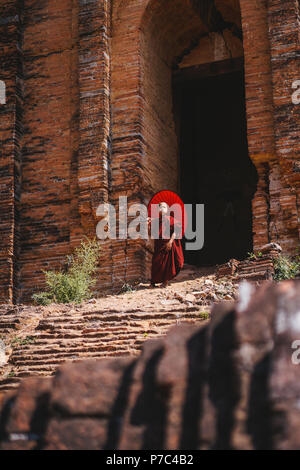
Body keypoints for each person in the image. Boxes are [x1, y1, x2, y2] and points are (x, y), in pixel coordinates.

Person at [148, 202, 184, 288]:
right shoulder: (156, 221)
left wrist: (171, 242)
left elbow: (176, 231)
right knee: (156, 262)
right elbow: (151, 234)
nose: (162, 208)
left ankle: (165, 282)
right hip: (158, 245)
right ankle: (153, 282)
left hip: (167, 244)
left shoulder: (171, 219)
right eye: (160, 207)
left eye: (164, 207)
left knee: (167, 263)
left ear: (167, 210)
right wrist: (148, 225)